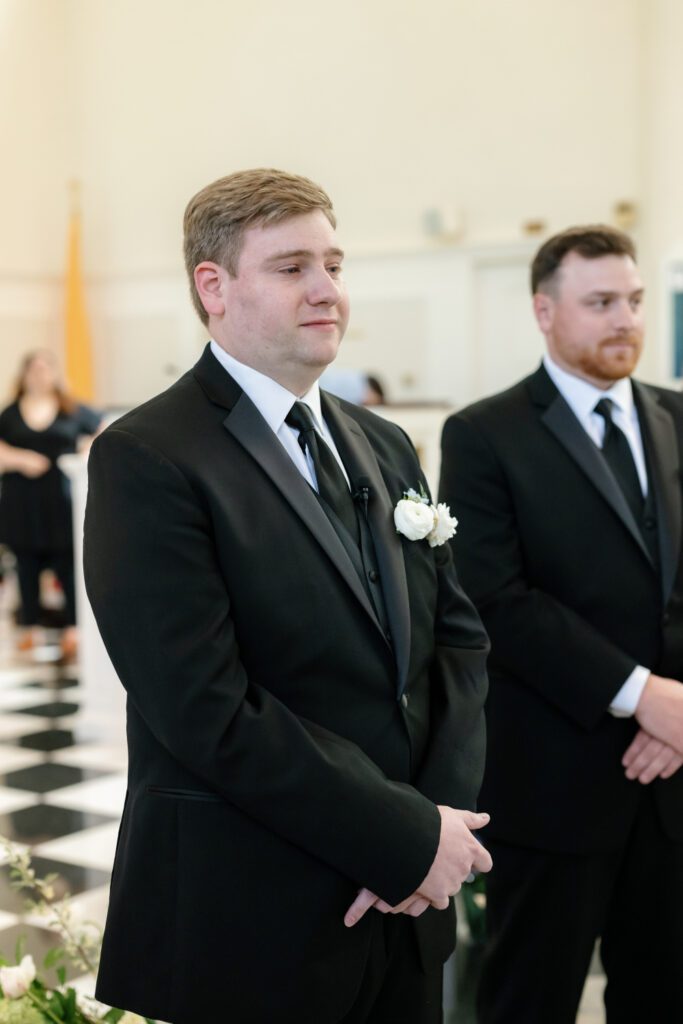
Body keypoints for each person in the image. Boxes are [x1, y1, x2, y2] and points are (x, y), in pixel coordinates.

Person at [83, 168, 492, 1024]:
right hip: (255, 912)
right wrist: (397, 837)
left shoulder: (383, 442)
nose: (326, 290)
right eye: (291, 267)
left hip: (406, 907)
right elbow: (203, 706)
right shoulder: (149, 455)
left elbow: (456, 641)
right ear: (213, 286)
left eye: (334, 265)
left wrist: (435, 825)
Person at [439, 225, 683, 1024]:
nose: (626, 320)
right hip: (552, 781)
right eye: (601, 302)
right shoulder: (484, 434)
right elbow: (494, 598)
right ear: (544, 311)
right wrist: (643, 696)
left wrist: (675, 715)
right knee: (528, 1000)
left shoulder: (677, 416)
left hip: (672, 781)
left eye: (635, 301)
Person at [0, 350, 101, 660]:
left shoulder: (71, 409)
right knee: (25, 564)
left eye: (45, 369)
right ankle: (30, 627)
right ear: (24, 375)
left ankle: (74, 629)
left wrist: (85, 450)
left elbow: (103, 429)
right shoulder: (11, 414)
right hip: (22, 502)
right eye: (34, 369)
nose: (40, 375)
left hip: (61, 499)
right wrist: (21, 459)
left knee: (67, 564)